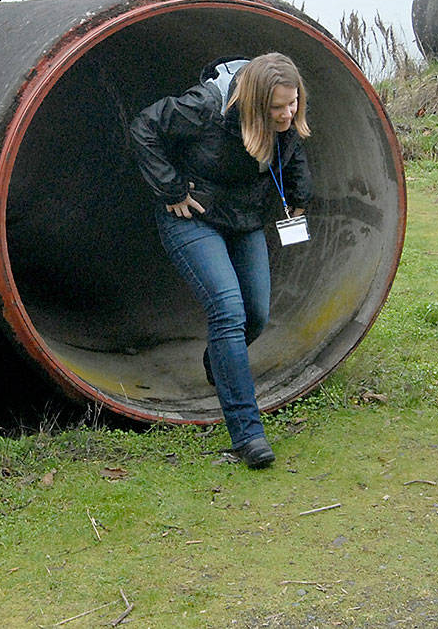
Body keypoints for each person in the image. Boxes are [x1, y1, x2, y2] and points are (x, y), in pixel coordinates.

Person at [129, 52, 313, 468]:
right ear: (252, 104)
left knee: (256, 315)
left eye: (293, 102)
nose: (288, 113)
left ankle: (221, 362)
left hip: (243, 216)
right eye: (277, 107)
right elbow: (144, 127)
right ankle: (249, 435)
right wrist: (171, 189)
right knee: (227, 309)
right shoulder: (205, 107)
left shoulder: (286, 118)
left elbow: (292, 147)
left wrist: (299, 197)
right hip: (192, 215)